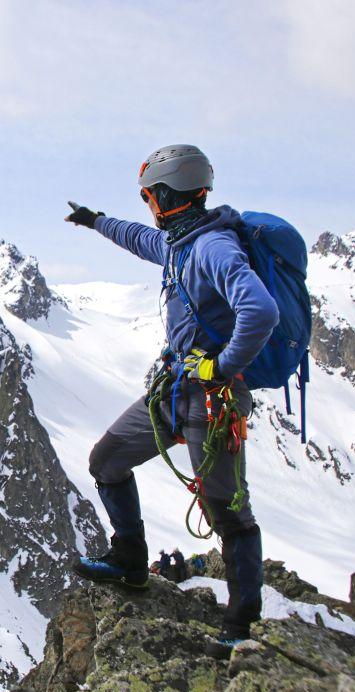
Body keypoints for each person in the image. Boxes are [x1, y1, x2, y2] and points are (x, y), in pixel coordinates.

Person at [65, 144, 279, 659]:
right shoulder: (182, 243)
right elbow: (139, 239)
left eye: (149, 197)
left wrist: (219, 367)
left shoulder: (213, 249)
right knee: (107, 460)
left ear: (164, 194)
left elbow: (261, 311)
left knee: (226, 510)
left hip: (211, 398)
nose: (148, 209)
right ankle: (130, 561)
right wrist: (96, 222)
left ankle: (243, 618)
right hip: (174, 389)